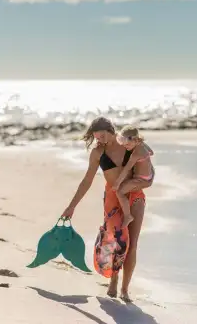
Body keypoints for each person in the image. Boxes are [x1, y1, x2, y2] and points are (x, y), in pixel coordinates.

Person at [61, 117, 153, 303]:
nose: (101, 140)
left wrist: (148, 181)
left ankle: (125, 289)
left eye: (103, 136)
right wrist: (72, 206)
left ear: (112, 130)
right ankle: (113, 279)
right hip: (112, 197)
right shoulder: (97, 153)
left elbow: (148, 170)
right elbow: (87, 180)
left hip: (134, 195)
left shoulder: (130, 144)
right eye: (97, 137)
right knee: (114, 239)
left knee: (132, 243)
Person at [113, 125, 155, 228]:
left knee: (120, 192)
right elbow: (151, 152)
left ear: (135, 140)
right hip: (148, 175)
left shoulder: (136, 153)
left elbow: (127, 168)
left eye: (127, 144)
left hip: (140, 179)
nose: (125, 147)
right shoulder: (142, 144)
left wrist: (117, 183)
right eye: (123, 144)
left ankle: (128, 216)